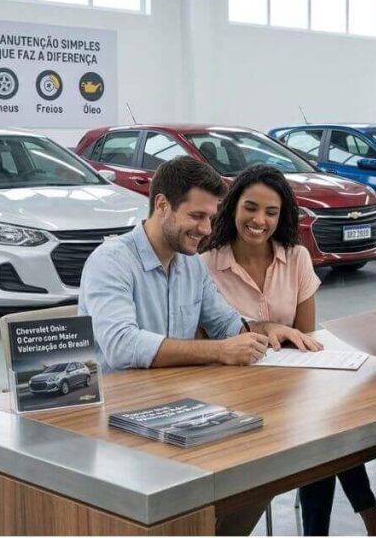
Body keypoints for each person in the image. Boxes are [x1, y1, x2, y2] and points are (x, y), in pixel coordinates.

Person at [78, 156, 314, 535]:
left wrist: (265, 329)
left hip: (177, 412)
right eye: (197, 217)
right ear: (162, 205)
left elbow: (226, 325)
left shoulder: (190, 265)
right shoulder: (112, 262)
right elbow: (122, 346)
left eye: (210, 217)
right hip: (119, 427)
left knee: (260, 467)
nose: (206, 229)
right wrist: (220, 351)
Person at [201, 164, 376, 537]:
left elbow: (305, 338)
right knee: (317, 430)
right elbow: (209, 337)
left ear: (282, 216)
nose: (259, 220)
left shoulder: (296, 257)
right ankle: (372, 518)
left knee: (322, 428)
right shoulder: (207, 263)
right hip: (233, 389)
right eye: (251, 207)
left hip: (288, 385)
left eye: (271, 212)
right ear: (232, 207)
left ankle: (331, 530)